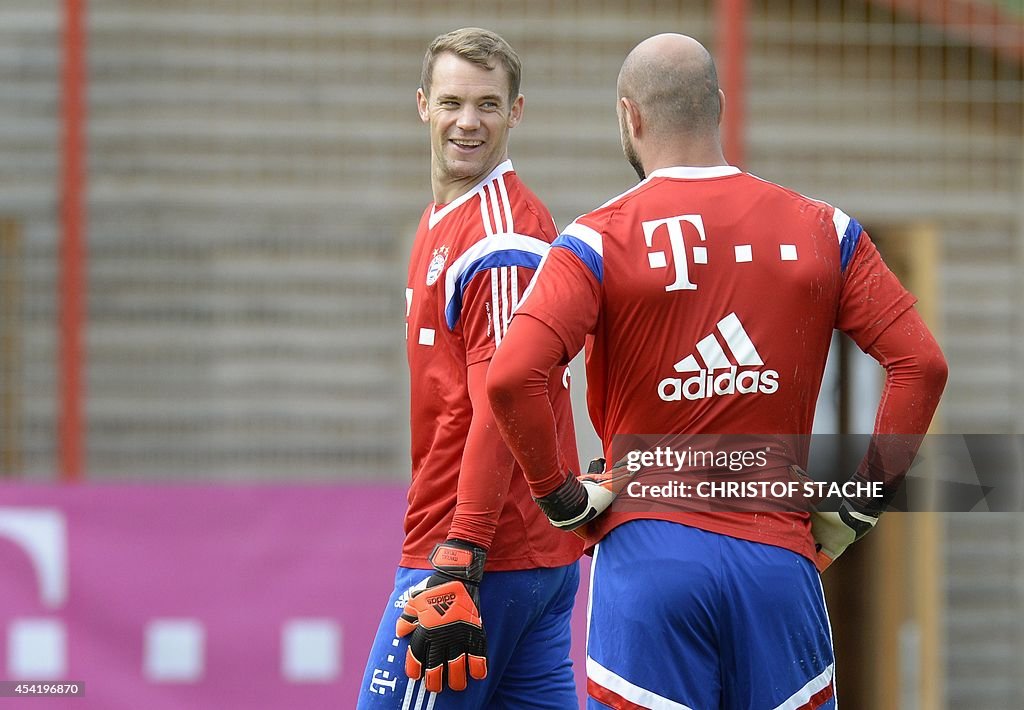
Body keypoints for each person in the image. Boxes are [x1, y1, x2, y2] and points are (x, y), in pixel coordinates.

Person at [487, 33, 947, 709]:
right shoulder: (826, 228)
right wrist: (859, 503)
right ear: (719, 109)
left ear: (629, 117)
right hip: (777, 562)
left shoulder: (596, 238)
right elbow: (922, 365)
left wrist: (561, 498)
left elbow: (511, 379)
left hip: (649, 557)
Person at [356, 28, 584, 708]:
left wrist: (461, 552)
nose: (467, 121)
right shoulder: (442, 218)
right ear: (422, 105)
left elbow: (504, 402)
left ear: (516, 113)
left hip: (479, 559)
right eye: (452, 101)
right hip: (518, 554)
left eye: (488, 104)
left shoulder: (502, 236)